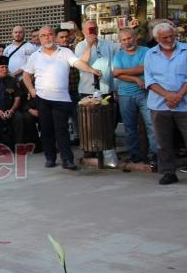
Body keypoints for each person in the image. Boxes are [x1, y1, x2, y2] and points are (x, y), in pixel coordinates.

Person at [23, 26, 102, 170]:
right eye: (44, 36)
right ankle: (50, 158)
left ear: (54, 36)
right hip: (42, 98)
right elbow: (26, 75)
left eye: (49, 35)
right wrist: (31, 89)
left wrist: (91, 70)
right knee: (46, 130)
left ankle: (67, 160)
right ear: (39, 38)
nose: (47, 38)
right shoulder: (35, 56)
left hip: (62, 98)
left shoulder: (65, 52)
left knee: (62, 130)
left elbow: (78, 63)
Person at [143, 22, 187, 185]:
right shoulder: (150, 54)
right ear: (157, 38)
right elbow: (149, 80)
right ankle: (169, 172)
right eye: (165, 37)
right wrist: (169, 95)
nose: (169, 40)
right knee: (163, 142)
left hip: (184, 103)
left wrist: (179, 95)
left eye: (171, 36)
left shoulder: (185, 50)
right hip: (159, 105)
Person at [112, 28, 158, 165]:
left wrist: (122, 72)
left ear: (135, 37)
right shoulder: (118, 55)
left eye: (129, 38)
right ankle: (135, 155)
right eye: (124, 40)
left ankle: (154, 155)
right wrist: (136, 79)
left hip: (145, 93)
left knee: (151, 125)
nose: (127, 42)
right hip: (125, 95)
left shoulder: (146, 51)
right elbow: (115, 74)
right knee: (129, 127)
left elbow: (142, 68)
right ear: (120, 41)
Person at [74, 19, 116, 96]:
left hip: (107, 88)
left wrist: (115, 87)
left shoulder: (108, 44)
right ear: (83, 31)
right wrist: (89, 45)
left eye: (94, 28)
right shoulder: (80, 46)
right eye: (90, 29)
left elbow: (114, 65)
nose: (92, 31)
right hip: (88, 90)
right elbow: (82, 63)